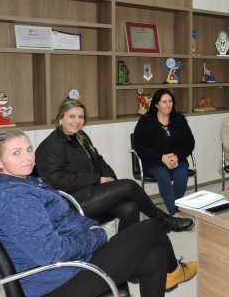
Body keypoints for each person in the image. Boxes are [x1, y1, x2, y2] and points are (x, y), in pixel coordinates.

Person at [0, 130, 197, 297]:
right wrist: (97, 235)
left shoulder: (16, 181)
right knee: (150, 228)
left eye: (29, 149)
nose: (28, 158)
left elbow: (64, 212)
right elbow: (51, 253)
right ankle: (174, 271)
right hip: (56, 280)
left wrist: (86, 225)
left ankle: (171, 272)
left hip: (64, 266)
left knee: (154, 257)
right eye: (16, 153)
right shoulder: (12, 198)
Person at [35, 98, 193, 232]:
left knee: (131, 207)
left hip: (92, 192)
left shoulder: (80, 136)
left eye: (81, 117)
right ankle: (163, 220)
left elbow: (98, 160)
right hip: (72, 203)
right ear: (60, 119)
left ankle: (123, 248)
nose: (77, 121)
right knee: (129, 185)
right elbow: (57, 182)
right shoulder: (51, 146)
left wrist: (111, 180)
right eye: (72, 116)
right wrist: (98, 179)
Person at [134, 89, 195, 216]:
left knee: (181, 174)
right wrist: (161, 157)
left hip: (176, 159)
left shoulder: (179, 119)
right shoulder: (145, 121)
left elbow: (190, 143)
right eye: (164, 102)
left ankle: (174, 206)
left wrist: (176, 156)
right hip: (154, 161)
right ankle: (174, 213)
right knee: (163, 176)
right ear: (156, 104)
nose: (168, 104)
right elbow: (140, 147)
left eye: (170, 101)